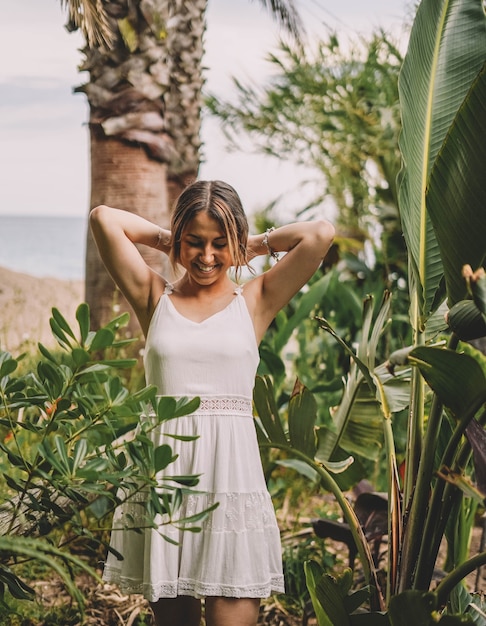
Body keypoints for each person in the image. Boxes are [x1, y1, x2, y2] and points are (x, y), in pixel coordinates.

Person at [90, 180, 335, 626]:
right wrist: (169, 239)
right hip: (166, 482)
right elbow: (104, 219)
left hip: (232, 484)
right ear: (180, 239)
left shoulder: (256, 301)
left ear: (234, 241)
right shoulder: (153, 297)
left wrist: (251, 245)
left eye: (220, 244)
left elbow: (319, 234)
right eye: (195, 242)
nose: (206, 257)